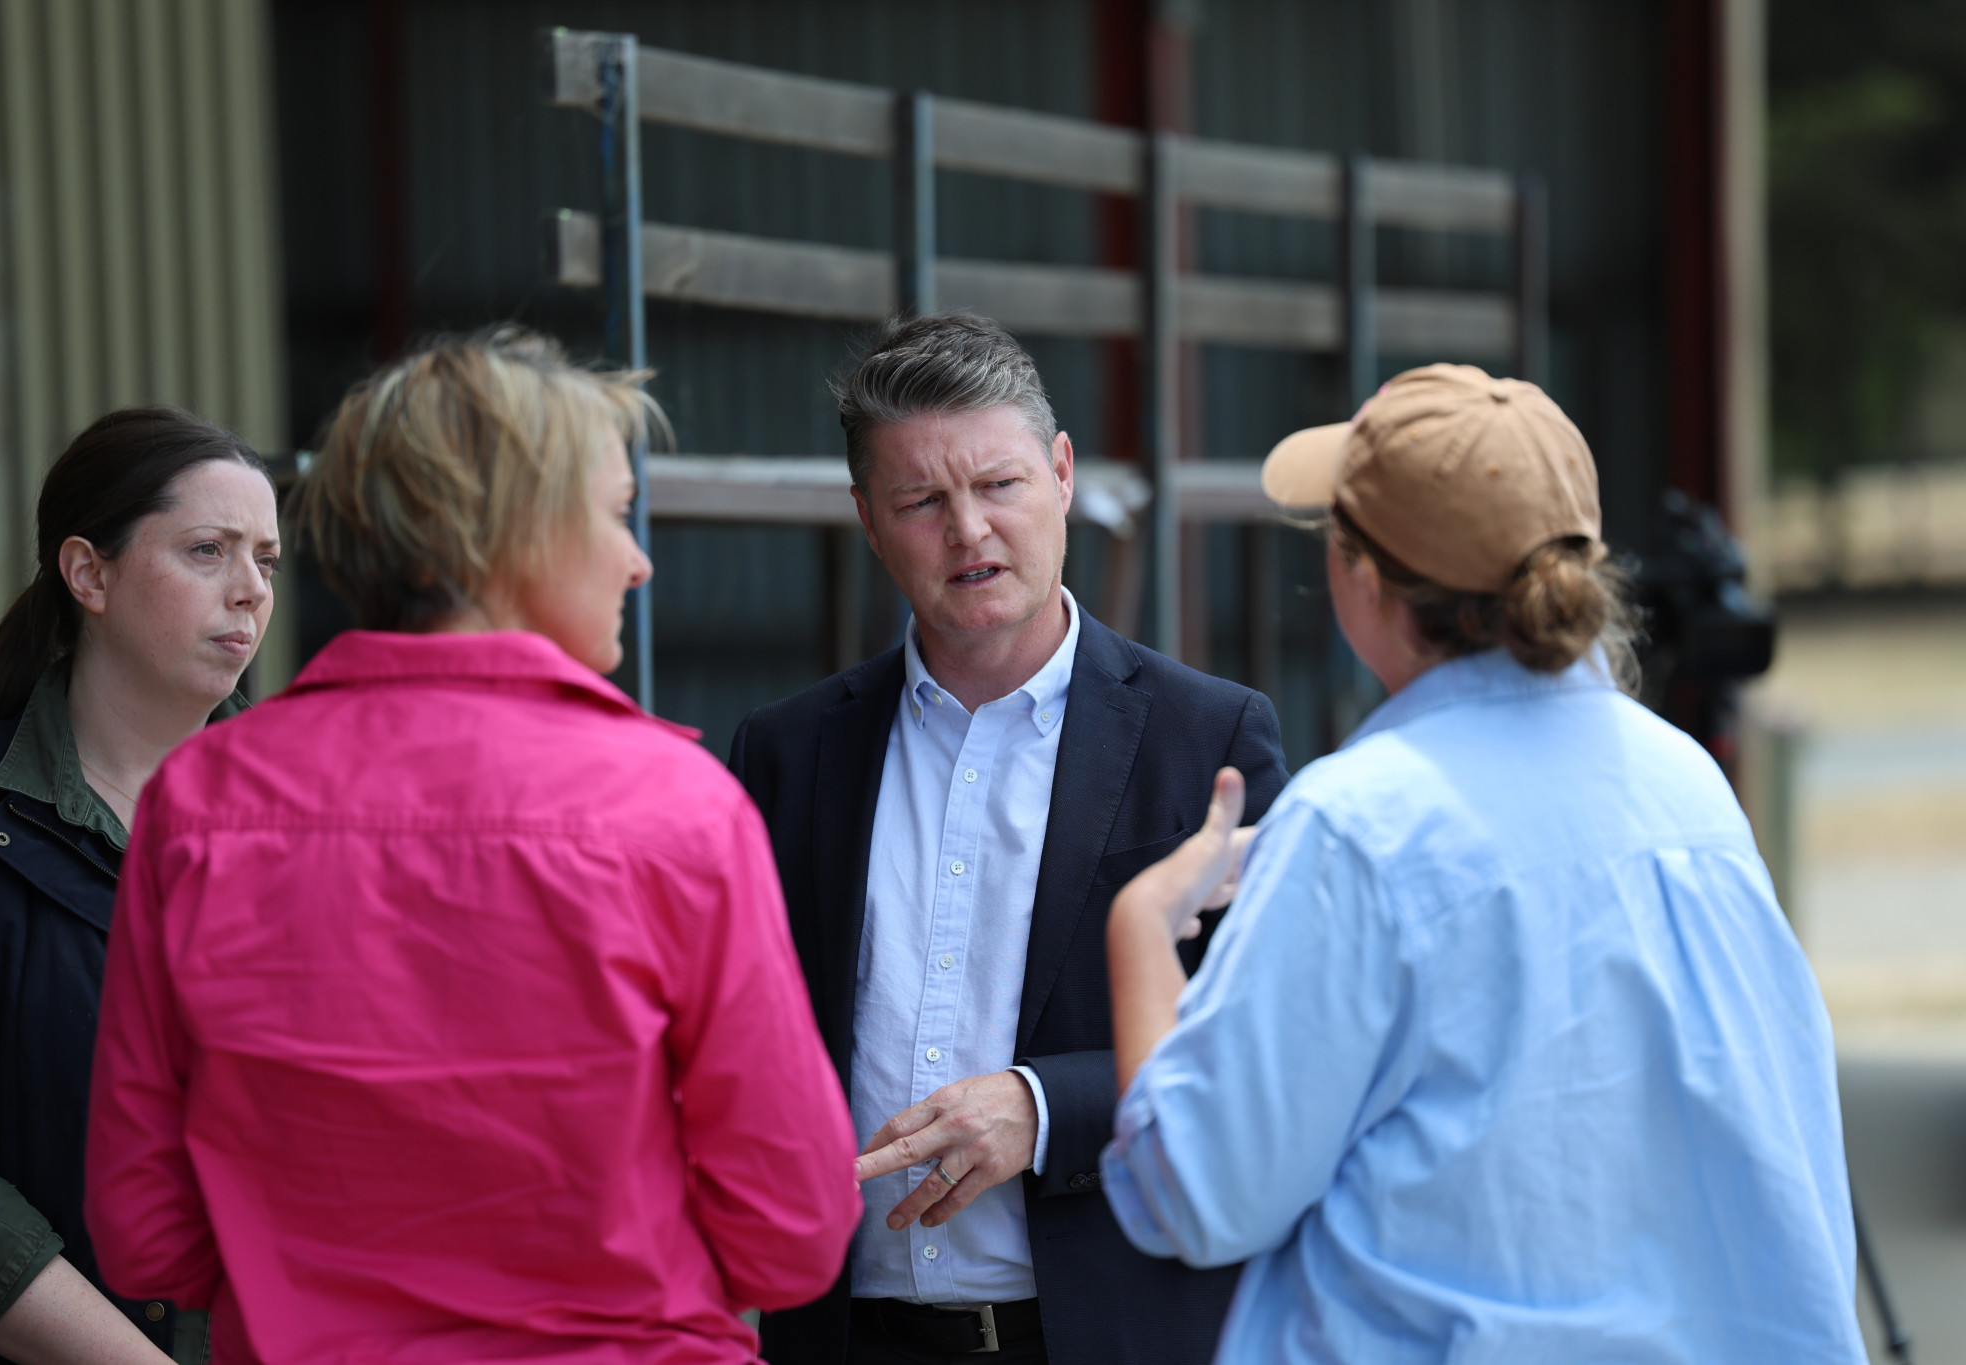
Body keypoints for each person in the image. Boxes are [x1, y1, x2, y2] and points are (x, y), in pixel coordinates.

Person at [82, 328, 860, 1365]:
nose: (638, 561)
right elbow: (793, 1231)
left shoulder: (198, 802)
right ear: (515, 531)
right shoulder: (676, 810)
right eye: (616, 513)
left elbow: (146, 1233)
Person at [1101, 364, 1866, 1362]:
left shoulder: (1356, 821)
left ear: (1362, 577)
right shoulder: (1684, 782)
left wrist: (1141, 924)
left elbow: (1198, 1195)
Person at [728, 313, 1289, 1365]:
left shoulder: (1206, 737)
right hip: (846, 1339)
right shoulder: (787, 753)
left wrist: (1045, 1107)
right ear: (867, 519)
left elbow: (1269, 1041)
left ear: (1062, 474)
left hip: (1109, 1336)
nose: (969, 530)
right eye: (920, 501)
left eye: (999, 485)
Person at [0, 407, 279, 1364]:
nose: (250, 589)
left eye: (267, 560)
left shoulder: (322, 822)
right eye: (209, 550)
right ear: (89, 574)